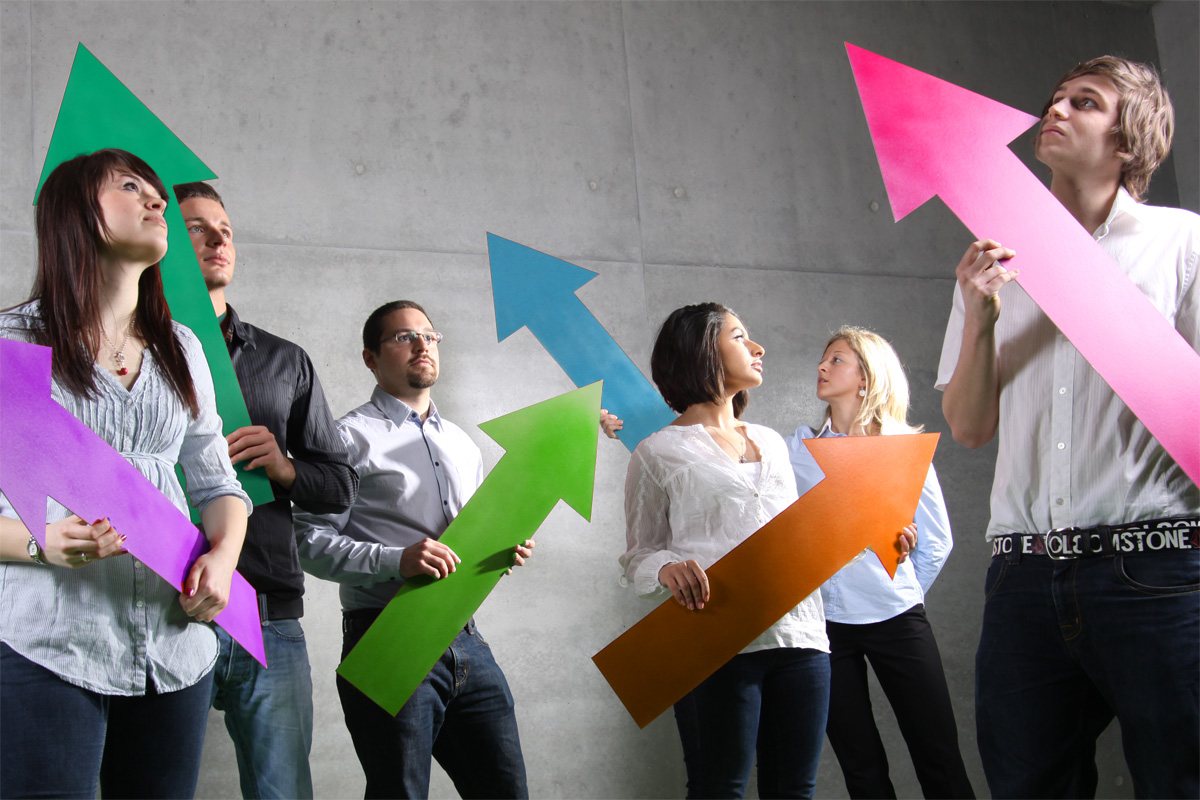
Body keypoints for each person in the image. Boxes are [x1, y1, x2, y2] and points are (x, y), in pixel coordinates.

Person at [937, 56, 1199, 797]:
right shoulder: (991, 262)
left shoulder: (1182, 244)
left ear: (1129, 138)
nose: (1054, 111)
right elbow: (968, 427)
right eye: (1054, 98)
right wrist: (980, 317)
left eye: (1084, 102)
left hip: (1156, 568)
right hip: (1020, 576)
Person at [0, 149, 251, 798]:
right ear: (76, 212)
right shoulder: (15, 346)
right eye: (131, 187)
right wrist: (37, 541)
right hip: (49, 639)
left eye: (156, 192)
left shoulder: (184, 348)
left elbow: (219, 483)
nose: (157, 201)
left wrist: (222, 560)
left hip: (176, 642)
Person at [620, 302, 913, 799]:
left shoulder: (774, 443)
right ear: (701, 352)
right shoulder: (658, 451)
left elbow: (801, 539)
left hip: (802, 638)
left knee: (795, 791)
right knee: (720, 789)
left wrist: (883, 538)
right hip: (716, 641)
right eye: (739, 337)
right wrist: (667, 567)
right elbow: (637, 557)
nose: (757, 348)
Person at [293, 300, 534, 799]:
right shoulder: (346, 439)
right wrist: (395, 559)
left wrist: (498, 552)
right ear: (370, 359)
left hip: (465, 637)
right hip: (386, 634)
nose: (423, 345)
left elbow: (464, 545)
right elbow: (307, 542)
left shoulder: (463, 446)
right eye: (404, 338)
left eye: (429, 335)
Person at [174, 181, 358, 799]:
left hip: (268, 611)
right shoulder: (131, 351)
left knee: (283, 792)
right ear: (165, 239)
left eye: (224, 227)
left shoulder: (286, 362)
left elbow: (338, 485)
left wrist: (283, 468)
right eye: (197, 226)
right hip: (158, 602)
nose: (218, 237)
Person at [785, 327, 973, 799]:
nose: (822, 368)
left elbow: (936, 542)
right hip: (824, 630)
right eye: (823, 359)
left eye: (837, 360)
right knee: (862, 771)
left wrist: (900, 588)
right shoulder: (797, 452)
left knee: (940, 760)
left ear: (867, 378)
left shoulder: (902, 453)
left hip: (898, 620)